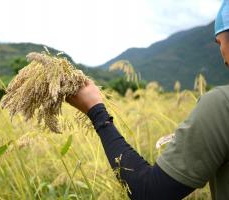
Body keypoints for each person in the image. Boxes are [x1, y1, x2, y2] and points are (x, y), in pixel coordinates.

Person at [67, 1, 229, 199]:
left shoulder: (221, 104)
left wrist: (96, 112)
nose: (222, 54)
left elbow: (150, 192)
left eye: (220, 42)